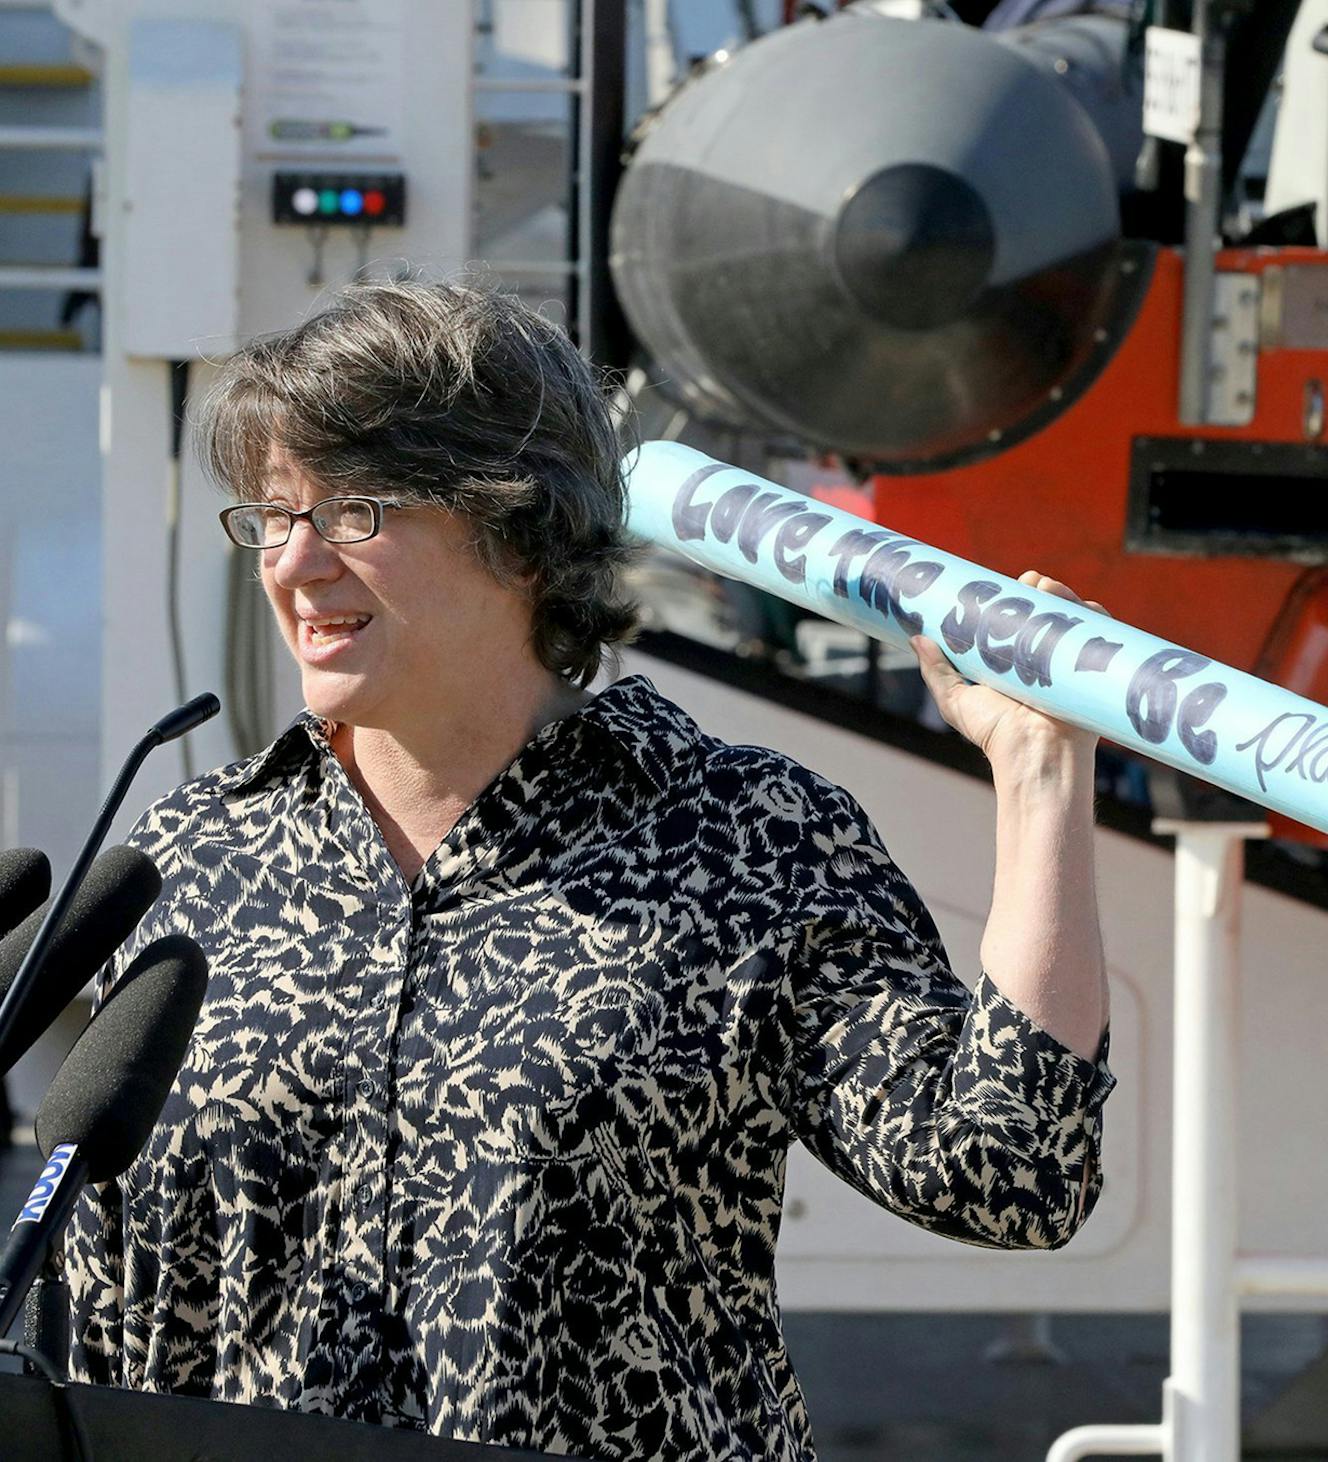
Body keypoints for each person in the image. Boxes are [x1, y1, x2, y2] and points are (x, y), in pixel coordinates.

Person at [62, 281, 1114, 1460]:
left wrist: (1038, 776)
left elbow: (1007, 1169)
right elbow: (108, 1306)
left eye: (355, 511)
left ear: (517, 528)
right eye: (270, 514)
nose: (295, 563)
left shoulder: (742, 835)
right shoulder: (200, 854)